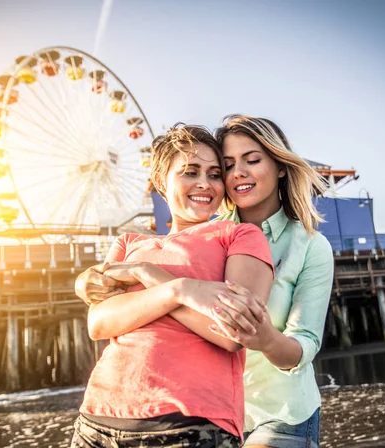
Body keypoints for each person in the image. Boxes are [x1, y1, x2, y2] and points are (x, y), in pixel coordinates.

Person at [77, 115, 334, 448]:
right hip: (198, 404)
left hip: (275, 410)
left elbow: (299, 344)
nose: (237, 173)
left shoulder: (309, 246)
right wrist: (96, 280)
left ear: (281, 166)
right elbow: (101, 319)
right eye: (227, 166)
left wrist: (266, 339)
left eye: (252, 160)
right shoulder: (209, 234)